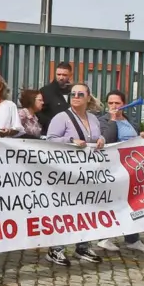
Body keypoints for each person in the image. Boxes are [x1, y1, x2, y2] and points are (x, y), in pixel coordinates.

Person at [45, 83, 104, 266]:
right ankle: (56, 248)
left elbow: (95, 139)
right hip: (66, 173)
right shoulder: (61, 118)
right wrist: (70, 141)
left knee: (86, 208)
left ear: (88, 98)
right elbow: (50, 140)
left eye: (80, 94)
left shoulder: (93, 119)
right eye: (73, 94)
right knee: (64, 209)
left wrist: (101, 139)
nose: (76, 96)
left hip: (87, 173)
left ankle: (83, 245)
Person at [94, 90, 144, 255]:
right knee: (115, 203)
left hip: (131, 167)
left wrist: (141, 137)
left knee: (132, 203)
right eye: (111, 103)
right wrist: (113, 120)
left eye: (117, 103)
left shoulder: (131, 121)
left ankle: (132, 239)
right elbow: (109, 139)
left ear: (124, 104)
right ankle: (105, 237)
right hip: (114, 168)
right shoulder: (102, 121)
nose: (114, 106)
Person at [38, 61, 74, 133]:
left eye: (64, 75)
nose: (61, 77)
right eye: (58, 74)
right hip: (50, 131)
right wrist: (52, 123)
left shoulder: (74, 91)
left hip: (71, 130)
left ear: (70, 75)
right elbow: (38, 112)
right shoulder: (46, 91)